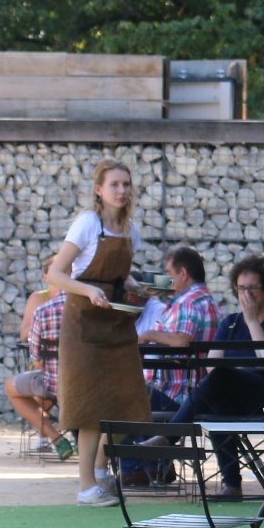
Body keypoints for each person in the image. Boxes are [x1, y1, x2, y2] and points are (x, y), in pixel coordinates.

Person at [47, 160, 153, 506]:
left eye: (126, 184)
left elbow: (121, 279)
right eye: (114, 185)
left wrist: (141, 286)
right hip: (84, 326)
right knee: (90, 407)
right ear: (99, 190)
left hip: (117, 324)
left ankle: (102, 470)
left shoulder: (129, 229)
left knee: (125, 403)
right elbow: (56, 274)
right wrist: (88, 290)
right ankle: (86, 486)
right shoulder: (87, 224)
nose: (122, 191)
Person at [166, 254, 264, 499]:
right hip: (234, 396)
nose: (246, 295)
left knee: (221, 380)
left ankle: (168, 437)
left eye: (252, 288)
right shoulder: (229, 323)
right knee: (218, 397)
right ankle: (232, 485)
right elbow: (211, 367)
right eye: (241, 288)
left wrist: (251, 320)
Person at [123, 246, 220, 486]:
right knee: (124, 393)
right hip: (194, 388)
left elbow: (181, 341)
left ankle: (137, 467)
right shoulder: (207, 300)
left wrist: (148, 334)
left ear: (183, 273)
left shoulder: (187, 303)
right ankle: (157, 466)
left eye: (169, 273)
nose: (166, 279)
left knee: (116, 398)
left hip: (177, 392)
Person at [7, 271, 72, 458]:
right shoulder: (92, 306)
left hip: (53, 382)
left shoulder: (44, 310)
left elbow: (36, 357)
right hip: (88, 382)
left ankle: (56, 438)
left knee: (17, 386)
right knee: (43, 389)